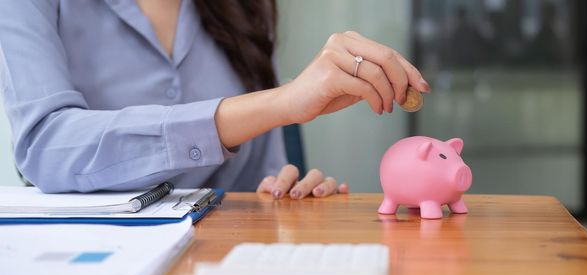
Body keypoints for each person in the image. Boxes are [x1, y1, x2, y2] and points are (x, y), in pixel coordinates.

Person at [0, 0, 430, 199]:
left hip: (223, 273)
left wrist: (290, 190)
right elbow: (44, 143)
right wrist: (281, 102)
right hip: (88, 272)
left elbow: (264, 178)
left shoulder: (246, 7)